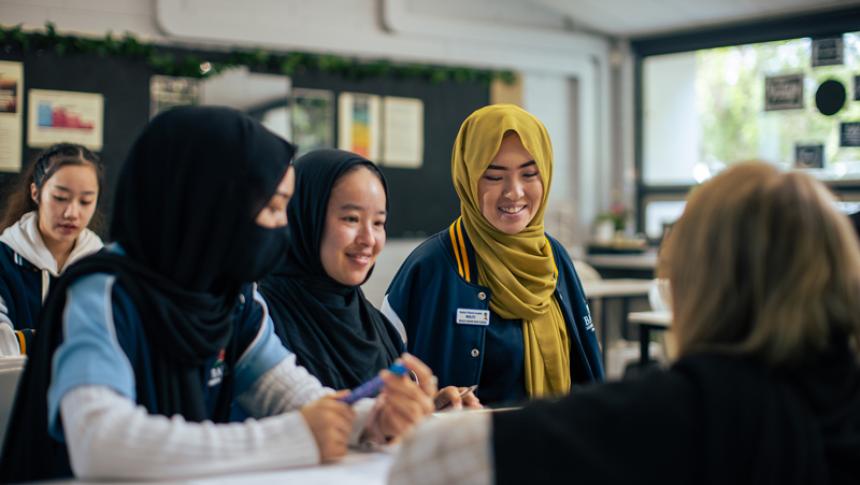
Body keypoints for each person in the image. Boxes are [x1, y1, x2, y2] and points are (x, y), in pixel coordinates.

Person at [0, 106, 436, 483]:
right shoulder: (103, 291)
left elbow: (290, 393)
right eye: (269, 208)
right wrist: (292, 438)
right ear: (208, 204)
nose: (283, 227)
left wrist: (369, 418)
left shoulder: (234, 298)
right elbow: (101, 442)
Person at [388, 162, 860, 485]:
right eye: (495, 175)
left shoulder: (680, 409)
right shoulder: (840, 396)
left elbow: (428, 463)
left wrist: (431, 422)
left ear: (700, 281)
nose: (514, 192)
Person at [382, 104, 603, 405]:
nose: (514, 192)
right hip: (466, 448)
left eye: (529, 174)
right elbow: (382, 380)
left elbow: (586, 372)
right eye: (494, 176)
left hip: (552, 445)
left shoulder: (554, 257)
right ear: (468, 178)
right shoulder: (432, 266)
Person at [259, 149, 479, 409]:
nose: (369, 240)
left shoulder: (375, 325)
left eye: (378, 222)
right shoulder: (262, 322)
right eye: (351, 219)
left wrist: (433, 409)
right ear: (307, 216)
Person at [0, 143, 104, 356]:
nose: (72, 213)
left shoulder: (102, 265)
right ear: (35, 193)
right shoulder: (4, 258)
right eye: (60, 198)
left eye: (85, 201)